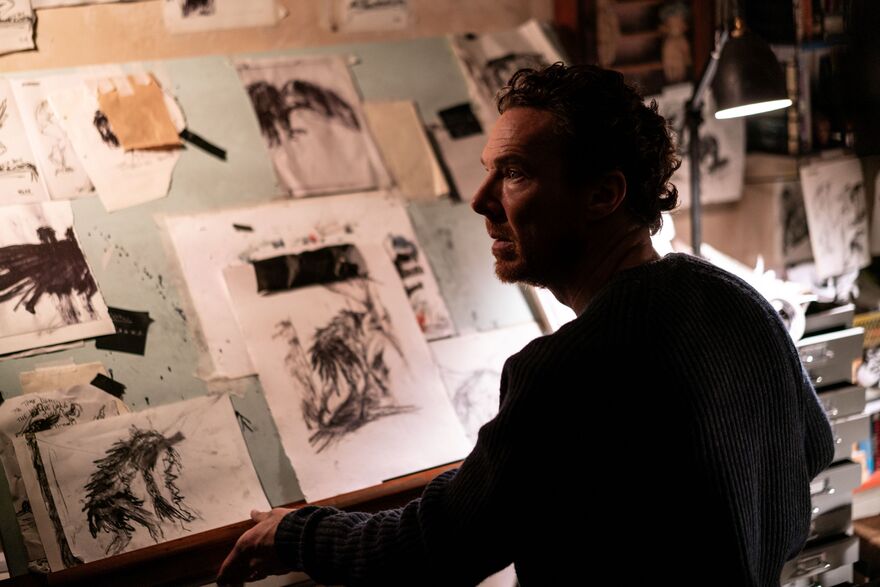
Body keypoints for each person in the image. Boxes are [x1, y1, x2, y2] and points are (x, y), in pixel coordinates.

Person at [217, 63, 834, 586]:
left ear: (604, 195)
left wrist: (296, 532)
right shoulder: (736, 300)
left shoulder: (570, 367)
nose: (482, 199)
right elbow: (813, 444)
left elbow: (434, 548)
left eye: (514, 173)